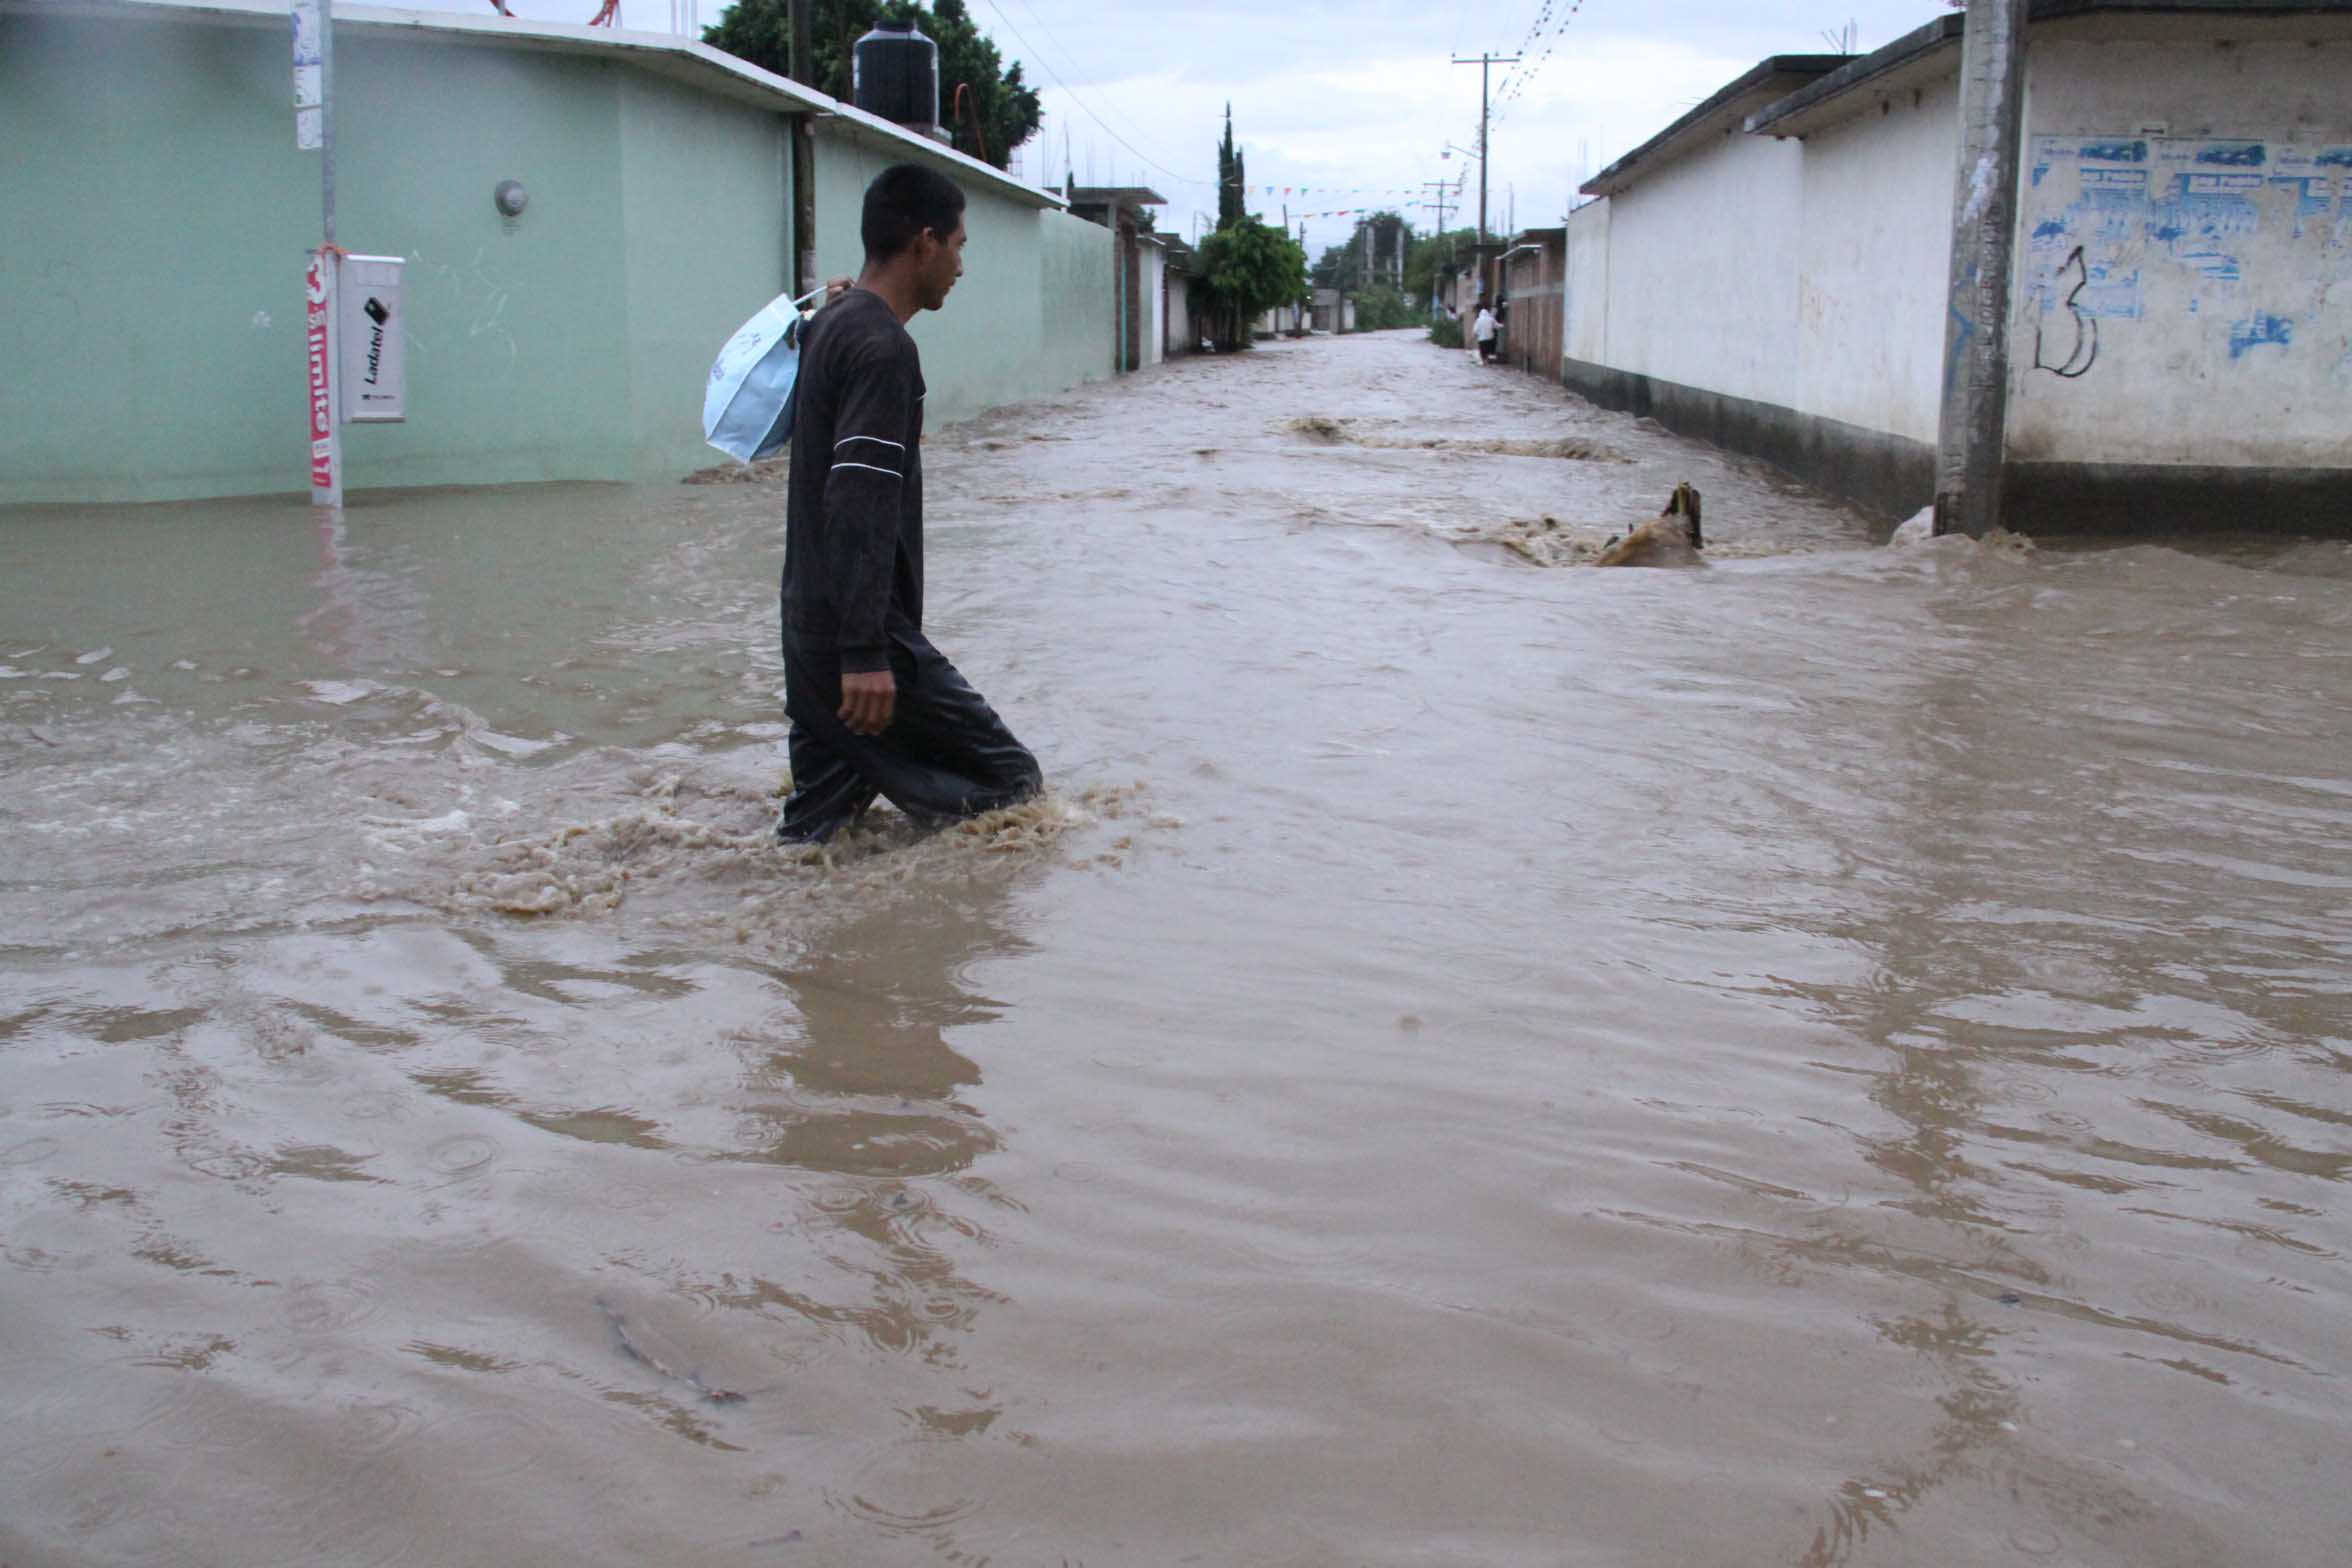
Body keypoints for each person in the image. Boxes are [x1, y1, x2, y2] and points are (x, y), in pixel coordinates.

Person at [775, 164, 1042, 844]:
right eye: (958, 244)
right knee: (1012, 790)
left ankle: (818, 949)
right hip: (856, 638)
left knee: (820, 839)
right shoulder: (882, 347)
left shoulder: (833, 324)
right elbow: (857, 498)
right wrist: (867, 654)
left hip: (807, 623)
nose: (961, 264)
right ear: (924, 243)